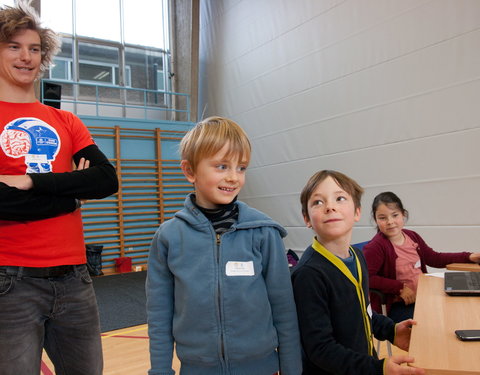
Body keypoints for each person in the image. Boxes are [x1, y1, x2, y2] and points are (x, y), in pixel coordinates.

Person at [0, 2, 118, 375]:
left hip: (74, 278)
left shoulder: (65, 120)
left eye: (34, 49)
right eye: (14, 46)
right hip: (10, 280)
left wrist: (32, 181)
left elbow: (105, 179)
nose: (26, 57)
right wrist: (70, 197)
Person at [146, 116, 302, 375]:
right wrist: (160, 370)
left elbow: (284, 308)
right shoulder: (168, 237)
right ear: (189, 171)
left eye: (241, 168)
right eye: (221, 166)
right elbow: (159, 313)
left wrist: (292, 369)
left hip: (261, 368)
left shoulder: (264, 232)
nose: (233, 177)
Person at [291, 170, 425, 375]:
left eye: (340, 198)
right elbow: (320, 349)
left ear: (357, 212)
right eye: (318, 202)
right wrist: (377, 368)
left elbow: (363, 310)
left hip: (360, 364)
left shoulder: (357, 255)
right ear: (306, 218)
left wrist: (391, 330)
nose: (330, 206)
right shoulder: (308, 275)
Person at [363, 191, 480, 322]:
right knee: (434, 323)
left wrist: (469, 257)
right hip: (398, 305)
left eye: (394, 215)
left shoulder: (412, 236)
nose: (390, 222)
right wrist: (399, 288)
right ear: (375, 220)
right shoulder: (376, 247)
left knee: (457, 311)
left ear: (403, 215)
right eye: (382, 218)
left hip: (423, 297)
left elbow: (434, 258)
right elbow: (366, 277)